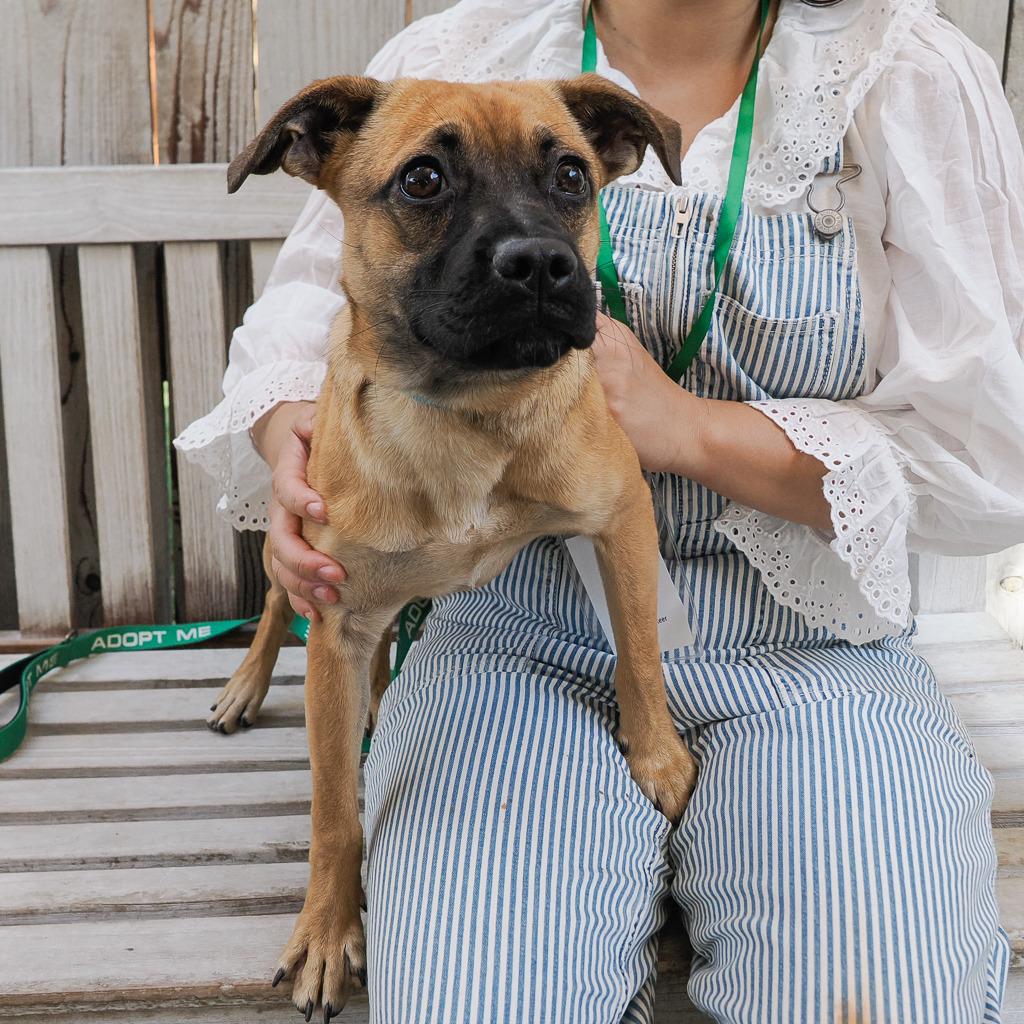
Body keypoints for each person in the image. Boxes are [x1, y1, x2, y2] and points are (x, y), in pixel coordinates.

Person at [175, 0, 1024, 1019]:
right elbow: (311, 307)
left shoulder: (908, 77)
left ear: (605, 163)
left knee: (869, 992)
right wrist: (290, 446)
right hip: (507, 636)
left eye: (565, 179)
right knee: (476, 999)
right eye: (431, 185)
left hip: (811, 647)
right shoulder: (455, 56)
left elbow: (989, 453)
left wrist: (687, 428)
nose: (525, 250)